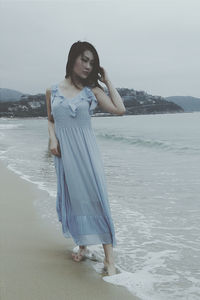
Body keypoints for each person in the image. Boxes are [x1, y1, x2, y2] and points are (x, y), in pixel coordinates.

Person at [45, 41, 126, 276]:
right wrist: (52, 139)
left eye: (92, 62)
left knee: (96, 200)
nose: (88, 66)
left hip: (87, 155)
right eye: (84, 59)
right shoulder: (52, 90)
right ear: (72, 59)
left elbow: (119, 110)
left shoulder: (93, 90)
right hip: (65, 156)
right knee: (76, 200)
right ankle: (83, 245)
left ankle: (109, 259)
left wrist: (107, 80)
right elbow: (50, 119)